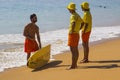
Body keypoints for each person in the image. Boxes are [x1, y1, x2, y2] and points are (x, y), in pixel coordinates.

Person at [67, 2, 84, 69]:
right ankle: (75, 64)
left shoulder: (73, 16)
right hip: (76, 33)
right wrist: (79, 29)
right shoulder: (77, 15)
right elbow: (82, 22)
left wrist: (71, 31)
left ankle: (73, 65)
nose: (68, 10)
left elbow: (73, 23)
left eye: (69, 9)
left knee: (72, 50)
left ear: (71, 9)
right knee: (76, 49)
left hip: (73, 34)